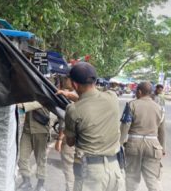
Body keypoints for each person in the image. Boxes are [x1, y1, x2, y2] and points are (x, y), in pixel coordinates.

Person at [64, 62, 124, 191]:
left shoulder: (73, 110)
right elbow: (93, 100)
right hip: (115, 169)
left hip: (91, 174)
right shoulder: (112, 97)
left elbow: (70, 142)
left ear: (75, 84)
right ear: (95, 80)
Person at [120, 82, 166, 191]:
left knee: (132, 178)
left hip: (134, 144)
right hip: (153, 146)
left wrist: (120, 143)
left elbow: (125, 126)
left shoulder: (132, 105)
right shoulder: (159, 108)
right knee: (153, 180)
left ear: (139, 92)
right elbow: (162, 131)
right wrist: (162, 148)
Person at [17, 101, 51, 191]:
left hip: (41, 130)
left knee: (41, 159)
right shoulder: (28, 93)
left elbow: (34, 104)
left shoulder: (44, 93)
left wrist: (17, 105)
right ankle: (26, 182)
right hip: (27, 131)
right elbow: (21, 110)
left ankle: (40, 184)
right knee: (21, 157)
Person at [55, 77, 78, 191]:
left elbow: (65, 122)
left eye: (66, 79)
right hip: (83, 142)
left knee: (69, 171)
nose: (64, 81)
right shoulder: (84, 96)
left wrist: (59, 139)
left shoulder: (67, 96)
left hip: (70, 139)